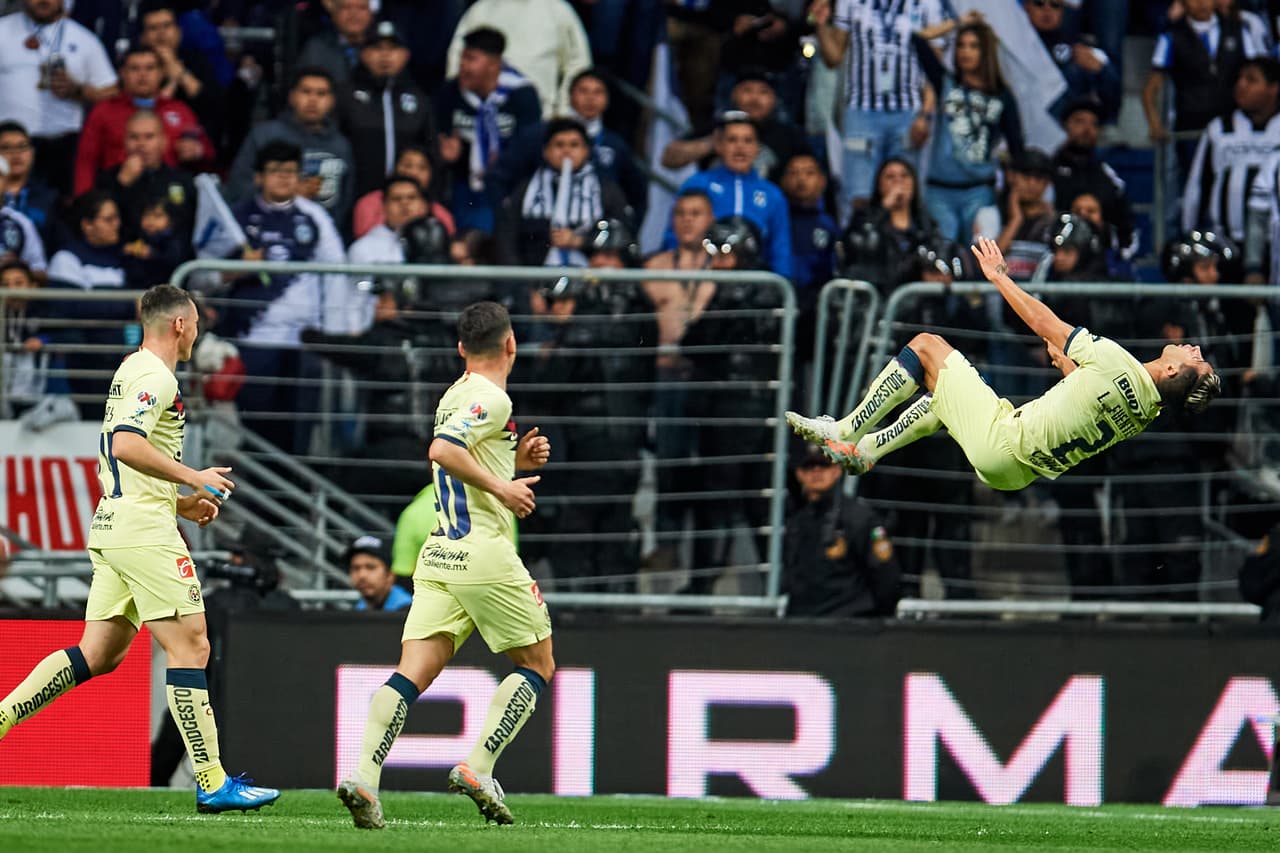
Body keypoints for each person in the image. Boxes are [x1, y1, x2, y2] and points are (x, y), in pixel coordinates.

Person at [0, 284, 281, 813]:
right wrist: (193, 476)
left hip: (117, 521)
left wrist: (180, 501)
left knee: (98, 653)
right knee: (192, 646)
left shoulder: (130, 368)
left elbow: (121, 459)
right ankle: (213, 781)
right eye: (196, 323)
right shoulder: (156, 375)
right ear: (180, 324)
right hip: (141, 532)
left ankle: (2, 717)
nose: (197, 332)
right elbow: (127, 444)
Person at [337, 301, 553, 829]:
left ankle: (364, 778)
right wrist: (506, 485)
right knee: (537, 664)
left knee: (411, 673)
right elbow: (442, 450)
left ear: (460, 349)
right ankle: (479, 766)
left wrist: (512, 460)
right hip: (483, 551)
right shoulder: (491, 398)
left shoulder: (455, 392)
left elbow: (458, 455)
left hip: (439, 554)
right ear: (511, 344)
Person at [787, 238, 1223, 490]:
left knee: (926, 346)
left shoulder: (1116, 363)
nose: (1195, 352)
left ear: (1171, 372)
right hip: (1016, 475)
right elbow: (1093, 401)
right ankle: (867, 452)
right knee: (941, 395)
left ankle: (847, 429)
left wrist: (999, 276)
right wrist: (1072, 372)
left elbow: (1042, 321)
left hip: (1007, 441)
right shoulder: (1147, 412)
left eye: (1194, 362)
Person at [809, 0, 943, 217]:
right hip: (861, 110)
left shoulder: (927, 3)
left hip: (908, 113)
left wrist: (925, 115)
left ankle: (903, 249)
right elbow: (833, 58)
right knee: (857, 196)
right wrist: (822, 24)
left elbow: (935, 69)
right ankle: (858, 248)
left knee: (905, 195)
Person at [913, 12, 1023, 244]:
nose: (965, 52)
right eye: (961, 45)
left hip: (980, 192)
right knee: (942, 259)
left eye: (974, 46)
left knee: (981, 260)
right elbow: (918, 39)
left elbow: (1017, 148)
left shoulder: (1003, 96)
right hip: (939, 191)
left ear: (986, 51)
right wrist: (957, 23)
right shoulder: (945, 83)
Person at [0, 0, 119, 196]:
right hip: (8, 144)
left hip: (63, 147)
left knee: (57, 212)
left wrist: (78, 91)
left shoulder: (84, 39)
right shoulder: (3, 31)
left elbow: (111, 91)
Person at [435, 27, 542, 233]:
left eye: (471, 59)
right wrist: (449, 157)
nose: (463, 66)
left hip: (508, 185)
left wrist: (501, 164)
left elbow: (530, 148)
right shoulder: (450, 93)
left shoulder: (522, 95)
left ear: (494, 64)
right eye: (462, 58)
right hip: (463, 185)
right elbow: (440, 139)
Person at [226, 67, 356, 229]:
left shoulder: (340, 145)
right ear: (292, 97)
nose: (313, 100)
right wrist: (285, 193)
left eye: (321, 94)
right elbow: (237, 188)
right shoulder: (265, 136)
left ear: (332, 101)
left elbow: (346, 200)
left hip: (323, 238)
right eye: (306, 92)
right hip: (267, 233)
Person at [74, 46, 213, 195]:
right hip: (118, 195)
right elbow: (86, 162)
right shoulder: (104, 111)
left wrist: (198, 151)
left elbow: (208, 154)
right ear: (122, 74)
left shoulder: (179, 110)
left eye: (150, 68)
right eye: (134, 69)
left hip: (169, 197)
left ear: (162, 73)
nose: (142, 75)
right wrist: (85, 204)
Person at [783, 444, 900, 617]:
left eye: (824, 465)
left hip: (851, 624)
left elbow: (885, 576)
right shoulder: (797, 523)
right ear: (799, 474)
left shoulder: (860, 518)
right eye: (808, 467)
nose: (816, 472)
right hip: (805, 625)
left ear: (837, 470)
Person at [495, 118, 631, 268]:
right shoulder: (526, 190)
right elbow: (507, 240)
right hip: (534, 277)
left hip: (589, 276)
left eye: (574, 145)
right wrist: (525, 288)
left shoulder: (605, 190)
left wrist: (580, 241)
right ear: (546, 151)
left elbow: (623, 234)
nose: (567, 151)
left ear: (586, 151)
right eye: (559, 145)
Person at [671, 111, 792, 277]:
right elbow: (673, 234)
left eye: (748, 141)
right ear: (719, 145)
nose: (740, 147)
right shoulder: (697, 184)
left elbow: (780, 249)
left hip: (755, 282)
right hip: (702, 277)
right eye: (732, 140)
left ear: (758, 148)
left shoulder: (772, 194)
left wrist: (784, 286)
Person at [1182, 57, 1280, 245]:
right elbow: (1197, 186)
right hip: (1227, 244)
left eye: (1251, 80)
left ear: (1273, 88)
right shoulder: (1219, 129)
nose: (1241, 85)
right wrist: (1190, 234)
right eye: (1240, 79)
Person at [337, 19, 435, 199]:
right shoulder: (345, 95)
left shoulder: (419, 100)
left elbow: (429, 151)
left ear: (405, 55)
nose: (385, 55)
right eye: (377, 48)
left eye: (393, 48)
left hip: (404, 202)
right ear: (363, 53)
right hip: (355, 199)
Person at [445, 0, 592, 118]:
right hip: (481, 116)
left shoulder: (559, 10)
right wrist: (461, 104)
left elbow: (577, 64)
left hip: (543, 117)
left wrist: (563, 110)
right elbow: (458, 60)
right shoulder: (481, 9)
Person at [137, 1, 226, 162]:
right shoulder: (134, 64)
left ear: (178, 31)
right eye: (153, 28)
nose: (161, 34)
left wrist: (180, 73)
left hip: (191, 150)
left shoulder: (197, 60)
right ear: (143, 37)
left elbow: (215, 105)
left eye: (167, 26)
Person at [95, 109, 196, 246]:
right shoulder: (108, 179)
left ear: (163, 142)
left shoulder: (183, 180)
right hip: (122, 258)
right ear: (125, 142)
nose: (141, 144)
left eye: (149, 137)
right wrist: (121, 185)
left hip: (171, 260)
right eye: (134, 137)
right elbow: (101, 225)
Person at [1024, 0, 1121, 123]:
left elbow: (1112, 97)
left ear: (1063, 10)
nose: (1047, 10)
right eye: (1039, 4)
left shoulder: (1079, 47)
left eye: (1055, 5)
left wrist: (1102, 70)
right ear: (1026, 7)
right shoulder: (1013, 44)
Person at [351, 144, 454, 240]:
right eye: (407, 165)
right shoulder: (368, 204)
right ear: (395, 168)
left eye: (422, 167)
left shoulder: (441, 214)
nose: (414, 173)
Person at [0, 120, 59, 246]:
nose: (16, 154)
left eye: (22, 146)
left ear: (32, 153)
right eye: (6, 148)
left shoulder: (49, 198)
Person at [296, 0, 374, 86]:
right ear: (334, 13)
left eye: (362, 8)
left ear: (371, 14)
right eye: (346, 7)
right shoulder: (316, 49)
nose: (354, 14)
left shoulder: (381, 48)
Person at [344, 534, 412, 611]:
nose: (362, 575)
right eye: (356, 568)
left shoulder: (411, 612)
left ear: (390, 575)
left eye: (370, 567)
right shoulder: (357, 610)